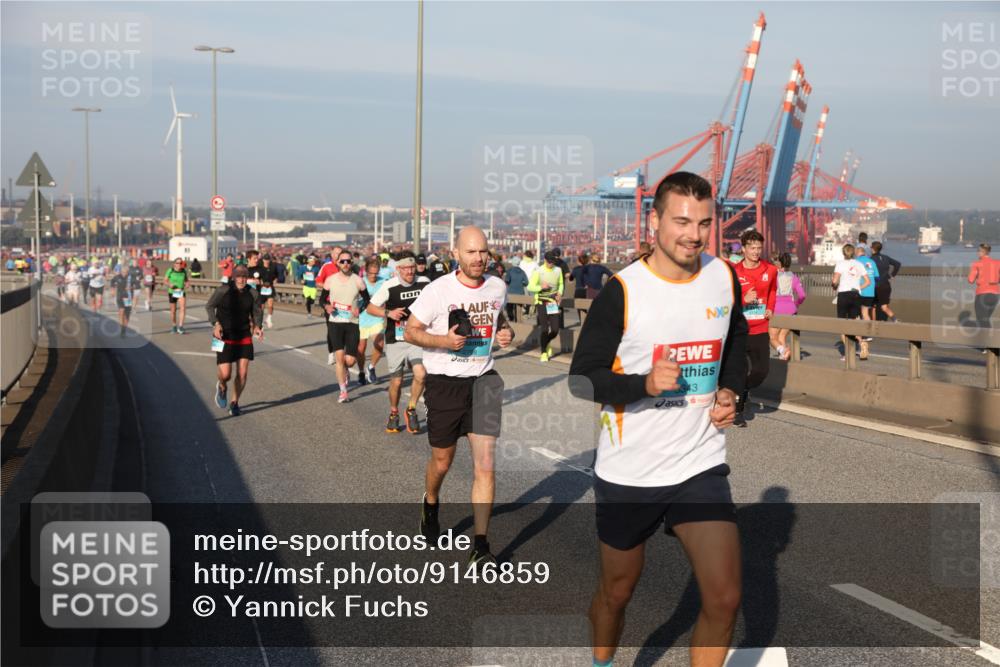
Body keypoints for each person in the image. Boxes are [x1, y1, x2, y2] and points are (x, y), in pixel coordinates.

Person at [569, 171, 747, 667]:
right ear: (654, 221)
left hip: (699, 462)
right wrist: (642, 385)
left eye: (704, 223)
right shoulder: (623, 291)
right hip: (630, 472)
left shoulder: (722, 276)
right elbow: (582, 379)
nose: (693, 234)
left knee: (724, 597)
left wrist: (732, 389)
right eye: (682, 221)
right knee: (617, 593)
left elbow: (734, 344)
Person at [405, 226, 514, 568]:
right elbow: (410, 330)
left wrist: (505, 332)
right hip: (444, 382)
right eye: (471, 252)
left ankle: (480, 545)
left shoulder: (498, 286)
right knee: (443, 461)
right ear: (456, 254)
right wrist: (442, 342)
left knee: (485, 465)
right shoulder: (438, 291)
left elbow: (500, 317)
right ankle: (431, 502)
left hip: (483, 381)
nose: (479, 258)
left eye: (483, 251)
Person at [367, 252, 431, 433]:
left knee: (421, 374)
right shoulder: (389, 286)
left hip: (417, 337)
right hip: (396, 339)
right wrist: (389, 313)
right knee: (396, 381)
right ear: (398, 269)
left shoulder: (424, 282)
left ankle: (411, 409)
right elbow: (370, 308)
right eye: (406, 268)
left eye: (412, 268)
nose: (410, 272)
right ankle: (394, 412)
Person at [730, 229, 777, 427]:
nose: (756, 251)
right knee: (739, 371)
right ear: (744, 249)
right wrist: (743, 299)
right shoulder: (734, 271)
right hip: (740, 329)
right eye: (752, 248)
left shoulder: (770, 270)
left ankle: (741, 390)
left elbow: (773, 290)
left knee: (761, 371)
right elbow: (726, 300)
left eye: (759, 248)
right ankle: (738, 413)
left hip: (760, 328)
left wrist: (770, 307)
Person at [206, 265, 264, 417]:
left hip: (244, 334)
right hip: (222, 335)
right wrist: (215, 323)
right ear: (233, 277)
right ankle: (222, 386)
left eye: (244, 276)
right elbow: (210, 306)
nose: (242, 279)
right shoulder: (222, 290)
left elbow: (257, 311)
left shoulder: (252, 293)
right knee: (226, 374)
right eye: (238, 276)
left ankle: (235, 403)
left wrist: (258, 326)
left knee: (243, 372)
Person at [321, 249, 371, 402]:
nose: (345, 264)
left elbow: (367, 300)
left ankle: (347, 371)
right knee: (339, 358)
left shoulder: (358, 280)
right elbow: (322, 299)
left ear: (351, 263)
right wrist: (327, 307)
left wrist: (360, 309)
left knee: (350, 361)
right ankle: (343, 391)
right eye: (342, 261)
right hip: (335, 323)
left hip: (352, 323)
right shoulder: (330, 280)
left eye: (348, 261)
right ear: (337, 262)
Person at [832, 244, 871, 361]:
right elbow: (868, 282)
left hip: (844, 295)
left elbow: (835, 281)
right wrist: (859, 288)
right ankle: (861, 342)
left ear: (843, 253)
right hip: (856, 295)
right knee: (855, 322)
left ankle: (848, 354)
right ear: (853, 252)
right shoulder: (859, 264)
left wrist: (834, 285)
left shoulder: (840, 264)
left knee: (842, 324)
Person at [527, 250, 564, 362]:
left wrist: (559, 293)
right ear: (545, 260)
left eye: (552, 262)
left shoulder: (558, 270)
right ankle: (544, 352)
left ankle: (546, 343)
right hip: (542, 302)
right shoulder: (538, 271)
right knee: (544, 329)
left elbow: (561, 284)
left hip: (552, 302)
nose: (550, 264)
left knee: (555, 329)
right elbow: (530, 287)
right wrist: (540, 287)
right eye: (549, 262)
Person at [769, 253, 806, 360]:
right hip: (791, 311)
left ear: (779, 262)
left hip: (777, 310)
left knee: (772, 338)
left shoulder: (774, 276)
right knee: (781, 336)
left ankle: (784, 351)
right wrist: (796, 304)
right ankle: (784, 354)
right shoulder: (794, 277)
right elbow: (802, 295)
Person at [357, 257, 387, 386]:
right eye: (371, 273)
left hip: (377, 319)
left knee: (379, 345)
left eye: (376, 273)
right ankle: (361, 372)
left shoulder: (384, 282)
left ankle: (371, 368)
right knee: (361, 349)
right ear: (366, 271)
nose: (374, 276)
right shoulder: (360, 282)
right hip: (362, 319)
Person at [968, 243, 1000, 331]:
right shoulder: (998, 263)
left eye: (978, 251)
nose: (977, 252)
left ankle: (989, 342)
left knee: (982, 321)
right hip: (995, 295)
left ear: (982, 252)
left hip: (982, 294)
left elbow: (970, 280)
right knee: (985, 319)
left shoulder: (976, 264)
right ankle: (986, 343)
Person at [869, 241, 901, 322]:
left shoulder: (871, 260)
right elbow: (897, 264)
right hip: (886, 285)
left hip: (875, 286)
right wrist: (892, 275)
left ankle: (873, 325)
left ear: (872, 249)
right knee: (884, 307)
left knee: (872, 306)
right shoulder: (886, 257)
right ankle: (895, 320)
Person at [856, 248, 880, 329]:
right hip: (870, 291)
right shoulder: (872, 262)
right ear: (864, 253)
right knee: (865, 313)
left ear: (857, 253)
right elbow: (877, 277)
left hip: (859, 290)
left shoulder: (856, 261)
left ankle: (858, 333)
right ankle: (868, 333)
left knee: (856, 313)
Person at [110, 265, 136, 337]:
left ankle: (124, 329)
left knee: (127, 314)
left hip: (128, 297)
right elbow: (112, 281)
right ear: (121, 271)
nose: (124, 273)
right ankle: (121, 327)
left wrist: (130, 287)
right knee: (121, 311)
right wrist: (112, 290)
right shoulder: (117, 277)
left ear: (128, 272)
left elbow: (136, 285)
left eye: (126, 272)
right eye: (123, 272)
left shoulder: (131, 278)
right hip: (120, 296)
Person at [165, 257, 189, 334]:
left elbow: (186, 280)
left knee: (182, 308)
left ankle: (181, 327)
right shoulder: (170, 270)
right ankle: (174, 326)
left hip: (180, 291)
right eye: (177, 263)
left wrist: (187, 283)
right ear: (174, 264)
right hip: (172, 291)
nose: (179, 264)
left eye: (180, 263)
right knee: (173, 311)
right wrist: (169, 285)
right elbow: (165, 280)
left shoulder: (183, 271)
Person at [503, 258, 529, 322]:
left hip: (511, 293)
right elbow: (526, 282)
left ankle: (511, 319)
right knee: (519, 308)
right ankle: (518, 322)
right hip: (520, 293)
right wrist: (522, 283)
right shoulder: (522, 272)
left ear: (512, 263)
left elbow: (507, 280)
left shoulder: (510, 271)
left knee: (509, 307)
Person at [258, 254, 278, 329]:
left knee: (271, 304)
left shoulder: (273, 267)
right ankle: (260, 322)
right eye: (265, 260)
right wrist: (259, 281)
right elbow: (256, 277)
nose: (266, 261)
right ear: (263, 260)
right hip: (262, 289)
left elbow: (276, 275)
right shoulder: (260, 267)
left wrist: (275, 279)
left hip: (270, 287)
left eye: (268, 260)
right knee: (262, 307)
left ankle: (269, 318)